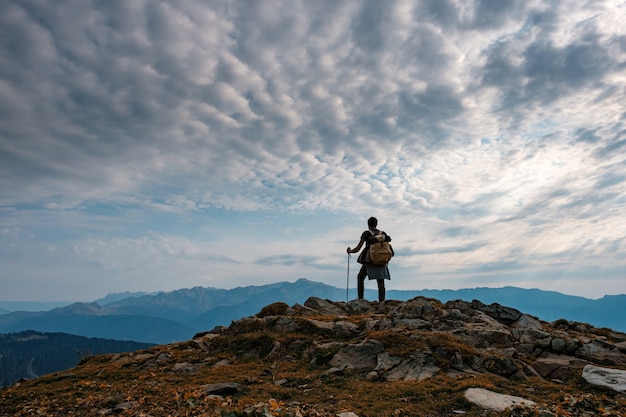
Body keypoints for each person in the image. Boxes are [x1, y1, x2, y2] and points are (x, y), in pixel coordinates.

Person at [346, 217, 392, 302]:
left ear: (368, 225)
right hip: (382, 260)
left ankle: (360, 299)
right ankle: (382, 302)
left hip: (370, 260)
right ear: (376, 224)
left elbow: (358, 248)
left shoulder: (366, 233)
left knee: (360, 277)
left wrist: (350, 251)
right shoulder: (383, 234)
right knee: (380, 281)